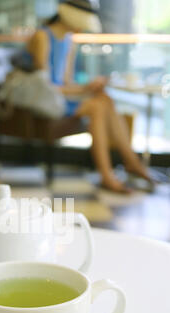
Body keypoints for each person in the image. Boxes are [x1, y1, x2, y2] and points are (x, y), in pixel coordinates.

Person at [26, 0, 151, 193]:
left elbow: (65, 83)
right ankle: (117, 171)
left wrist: (87, 87)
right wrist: (83, 89)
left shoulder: (69, 42)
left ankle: (126, 165)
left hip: (60, 97)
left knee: (104, 98)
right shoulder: (43, 37)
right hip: (45, 100)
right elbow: (45, 87)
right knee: (99, 105)